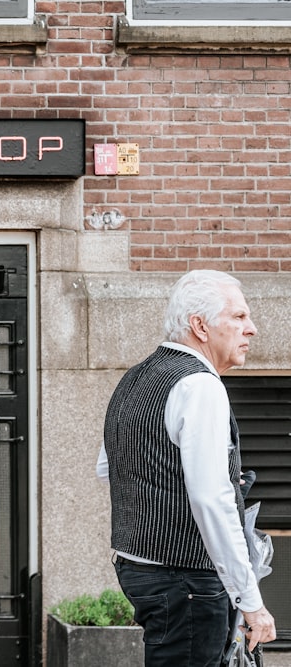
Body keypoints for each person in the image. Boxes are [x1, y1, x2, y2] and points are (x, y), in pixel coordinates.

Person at [97, 269, 276, 666]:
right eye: (239, 317)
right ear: (200, 326)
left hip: (140, 569)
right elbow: (211, 500)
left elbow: (111, 467)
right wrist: (251, 601)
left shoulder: (135, 377)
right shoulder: (200, 385)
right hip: (185, 580)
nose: (252, 329)